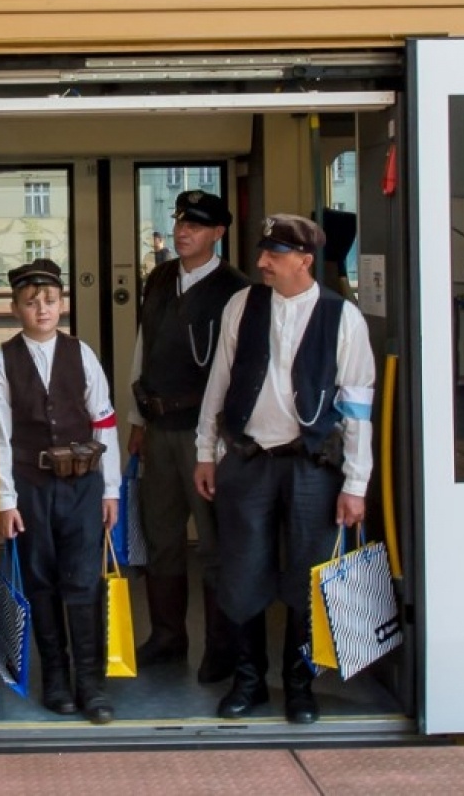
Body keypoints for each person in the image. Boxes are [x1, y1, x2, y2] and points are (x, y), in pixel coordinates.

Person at [191, 215, 376, 724]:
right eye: (262, 251)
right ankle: (249, 682)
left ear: (304, 260)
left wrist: (356, 484)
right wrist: (205, 450)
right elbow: (219, 383)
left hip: (311, 467)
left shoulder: (343, 318)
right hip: (247, 460)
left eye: (273, 254)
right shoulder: (242, 305)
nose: (261, 262)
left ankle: (300, 685)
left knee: (307, 576)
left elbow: (358, 407)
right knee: (241, 573)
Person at [126, 191, 250, 683]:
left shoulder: (236, 290)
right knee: (161, 536)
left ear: (218, 233)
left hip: (206, 435)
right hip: (158, 428)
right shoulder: (159, 277)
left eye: (196, 225)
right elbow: (144, 347)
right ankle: (167, 636)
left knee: (214, 543)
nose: (182, 232)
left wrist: (222, 441)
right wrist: (137, 419)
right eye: (180, 222)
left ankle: (219, 647)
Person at [0, 259, 121, 724]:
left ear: (62, 304)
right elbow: (1, 435)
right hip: (31, 486)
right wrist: (6, 500)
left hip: (83, 485)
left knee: (84, 580)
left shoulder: (81, 353)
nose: (41, 309)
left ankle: (92, 684)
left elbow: (104, 420)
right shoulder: (1, 361)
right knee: (41, 581)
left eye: (49, 300)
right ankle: (57, 681)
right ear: (15, 308)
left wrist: (111, 490)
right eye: (31, 302)